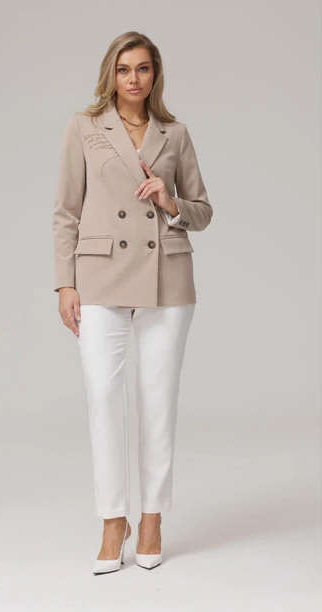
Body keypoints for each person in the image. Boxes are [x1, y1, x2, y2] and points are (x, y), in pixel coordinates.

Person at [53, 31, 213, 574]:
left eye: (143, 68)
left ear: (154, 74)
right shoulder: (84, 128)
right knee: (103, 396)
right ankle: (111, 519)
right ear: (111, 74)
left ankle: (151, 518)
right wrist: (65, 283)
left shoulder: (175, 133)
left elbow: (203, 211)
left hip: (166, 277)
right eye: (124, 69)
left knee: (158, 403)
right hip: (100, 275)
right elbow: (66, 211)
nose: (134, 79)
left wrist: (170, 201)